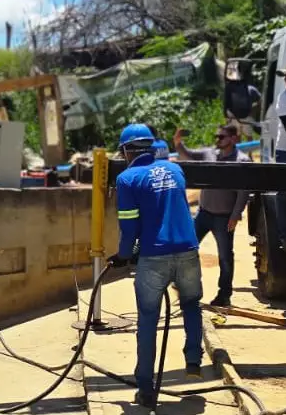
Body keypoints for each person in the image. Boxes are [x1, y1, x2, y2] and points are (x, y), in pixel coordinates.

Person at [109, 123, 203, 409]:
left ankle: (146, 389)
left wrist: (124, 255)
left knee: (148, 320)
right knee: (191, 304)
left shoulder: (127, 179)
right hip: (188, 249)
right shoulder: (175, 170)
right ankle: (193, 359)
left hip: (154, 257)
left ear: (126, 151)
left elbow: (130, 227)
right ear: (150, 146)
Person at [174, 124, 250, 307]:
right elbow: (188, 155)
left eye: (221, 137)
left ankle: (224, 295)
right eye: (216, 136)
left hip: (224, 218)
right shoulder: (210, 154)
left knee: (225, 257)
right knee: (186, 247)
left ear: (233, 139)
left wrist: (235, 215)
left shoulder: (242, 161)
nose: (217, 140)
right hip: (204, 214)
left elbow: (244, 191)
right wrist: (177, 143)